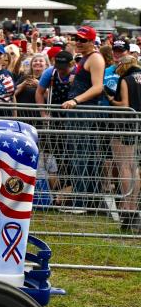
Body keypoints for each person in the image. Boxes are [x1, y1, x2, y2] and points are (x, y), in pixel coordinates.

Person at [61, 26, 106, 211]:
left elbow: (98, 87)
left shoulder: (95, 58)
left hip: (84, 112)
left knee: (83, 156)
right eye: (76, 38)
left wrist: (75, 100)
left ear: (92, 41)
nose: (78, 42)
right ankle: (83, 201)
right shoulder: (85, 57)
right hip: (79, 112)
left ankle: (82, 202)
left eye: (82, 40)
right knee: (79, 156)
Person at [109, 54, 141, 232]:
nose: (117, 66)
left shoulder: (126, 79)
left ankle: (128, 208)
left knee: (124, 166)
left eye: (119, 64)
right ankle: (134, 206)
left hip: (125, 125)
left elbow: (125, 104)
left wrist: (112, 100)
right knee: (134, 166)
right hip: (138, 126)